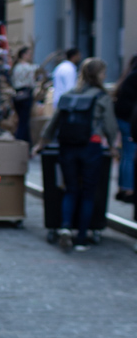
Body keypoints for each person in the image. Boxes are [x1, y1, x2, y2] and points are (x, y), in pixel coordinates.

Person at [34, 57, 119, 251]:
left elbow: (53, 122)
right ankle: (81, 237)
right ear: (98, 75)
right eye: (103, 73)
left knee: (71, 188)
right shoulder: (101, 96)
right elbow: (110, 126)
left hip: (67, 146)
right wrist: (113, 146)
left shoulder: (70, 95)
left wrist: (41, 143)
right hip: (91, 147)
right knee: (88, 192)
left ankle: (64, 227)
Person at [113, 55, 137, 203]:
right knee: (129, 153)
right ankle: (128, 189)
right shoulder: (134, 77)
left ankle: (123, 187)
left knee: (125, 154)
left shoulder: (128, 75)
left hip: (123, 118)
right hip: (129, 120)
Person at [9, 45, 39, 143]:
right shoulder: (30, 68)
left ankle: (27, 144)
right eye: (29, 54)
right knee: (24, 121)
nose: (30, 56)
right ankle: (20, 142)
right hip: (26, 95)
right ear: (23, 55)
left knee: (22, 120)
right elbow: (32, 82)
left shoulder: (15, 67)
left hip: (17, 95)